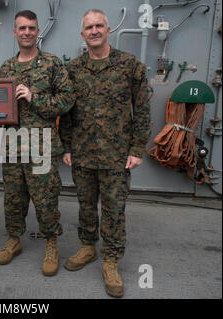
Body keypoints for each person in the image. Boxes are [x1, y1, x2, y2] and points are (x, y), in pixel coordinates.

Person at [59, 9, 151, 297]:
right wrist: (67, 147)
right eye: (89, 27)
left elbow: (143, 110)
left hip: (116, 155)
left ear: (108, 30)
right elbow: (67, 111)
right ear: (82, 34)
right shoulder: (72, 69)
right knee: (86, 205)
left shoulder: (130, 66)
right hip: (83, 153)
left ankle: (110, 260)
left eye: (99, 25)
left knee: (113, 210)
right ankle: (88, 247)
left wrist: (137, 148)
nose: (95, 30)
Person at [0, 10, 73, 276]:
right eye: (22, 28)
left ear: (37, 31)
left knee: (46, 199)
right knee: (13, 199)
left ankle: (51, 243)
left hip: (41, 146)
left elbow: (66, 102)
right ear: (15, 32)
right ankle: (14, 240)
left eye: (31, 28)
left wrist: (33, 97)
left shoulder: (52, 64)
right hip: (13, 146)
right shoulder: (5, 68)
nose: (27, 32)